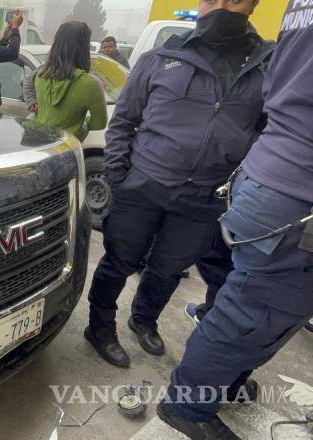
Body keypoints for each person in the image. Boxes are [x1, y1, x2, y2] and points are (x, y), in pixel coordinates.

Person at [84, 0, 273, 369]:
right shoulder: (162, 57)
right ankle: (99, 327)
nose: (220, 7)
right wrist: (117, 178)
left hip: (203, 197)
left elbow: (271, 133)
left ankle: (143, 318)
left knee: (169, 268)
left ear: (252, 3)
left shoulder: (268, 67)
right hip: (143, 185)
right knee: (120, 259)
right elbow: (123, 121)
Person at [158, 0, 313, 438]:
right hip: (295, 193)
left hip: (273, 176)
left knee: (259, 305)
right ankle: (187, 408)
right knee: (251, 312)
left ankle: (224, 381)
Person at [22, 22, 108, 142]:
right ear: (84, 47)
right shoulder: (90, 84)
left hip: (37, 144)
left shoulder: (40, 76)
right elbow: (99, 123)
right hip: (64, 149)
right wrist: (80, 125)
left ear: (56, 44)